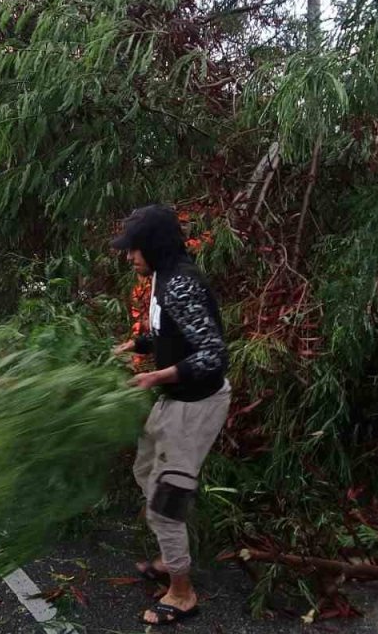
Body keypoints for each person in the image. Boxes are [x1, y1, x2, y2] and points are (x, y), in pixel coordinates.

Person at [110, 204, 230, 627]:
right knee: (145, 468)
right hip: (174, 396)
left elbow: (214, 355)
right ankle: (169, 553)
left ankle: (182, 593)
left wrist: (159, 375)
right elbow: (170, 331)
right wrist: (138, 345)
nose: (130, 258)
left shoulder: (182, 283)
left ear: (155, 246)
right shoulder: (161, 276)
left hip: (197, 404)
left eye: (134, 249)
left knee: (165, 501)